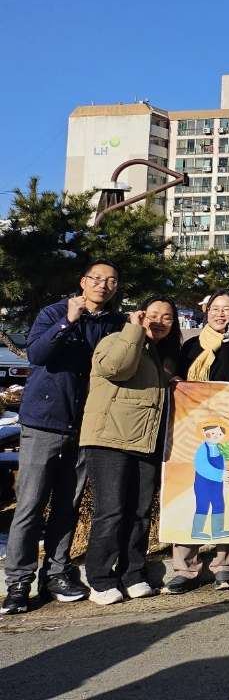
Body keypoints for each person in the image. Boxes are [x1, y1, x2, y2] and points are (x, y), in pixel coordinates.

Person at [1, 260, 125, 615]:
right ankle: (19, 582)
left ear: (116, 288)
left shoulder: (115, 323)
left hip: (86, 425)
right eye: (97, 279)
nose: (103, 285)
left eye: (111, 281)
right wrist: (67, 321)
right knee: (29, 505)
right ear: (83, 282)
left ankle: (56, 573)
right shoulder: (55, 311)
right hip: (44, 421)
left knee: (67, 505)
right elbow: (38, 354)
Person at [81, 295, 183, 604]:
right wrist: (133, 329)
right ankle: (100, 579)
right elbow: (118, 369)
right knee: (111, 511)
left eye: (168, 317)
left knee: (139, 512)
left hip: (144, 440)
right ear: (139, 315)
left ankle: (132, 573)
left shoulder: (155, 357)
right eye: (153, 314)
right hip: (109, 440)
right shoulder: (117, 339)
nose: (160, 321)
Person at [166, 288, 229, 595]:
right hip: (189, 431)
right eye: (215, 308)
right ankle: (185, 568)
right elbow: (172, 378)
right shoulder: (190, 346)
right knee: (187, 496)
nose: (220, 314)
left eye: (228, 309)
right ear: (206, 311)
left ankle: (225, 565)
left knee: (226, 496)